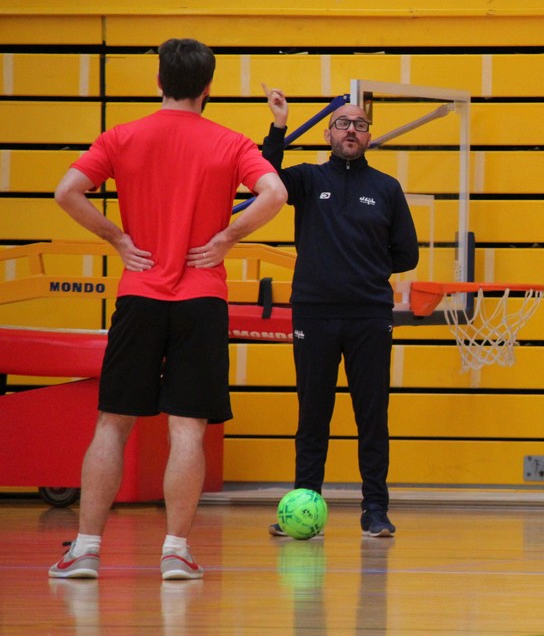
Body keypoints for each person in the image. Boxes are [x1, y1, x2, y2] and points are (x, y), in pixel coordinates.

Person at [49, 38, 288, 580]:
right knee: (187, 430)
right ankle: (175, 551)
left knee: (112, 425)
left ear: (159, 81)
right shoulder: (230, 142)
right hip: (202, 299)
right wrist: (228, 237)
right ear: (208, 87)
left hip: (139, 295)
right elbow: (273, 193)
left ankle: (85, 549)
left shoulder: (122, 136)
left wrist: (116, 237)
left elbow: (67, 191)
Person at [261, 86, 419, 538]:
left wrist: (362, 268)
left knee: (372, 414)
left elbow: (406, 254)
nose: (352, 130)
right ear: (329, 133)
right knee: (313, 412)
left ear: (369, 136)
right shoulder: (309, 180)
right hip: (314, 314)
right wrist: (278, 126)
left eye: (361, 125)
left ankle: (375, 510)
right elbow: (265, 177)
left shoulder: (386, 188)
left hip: (369, 315)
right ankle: (302, 504)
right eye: (343, 124)